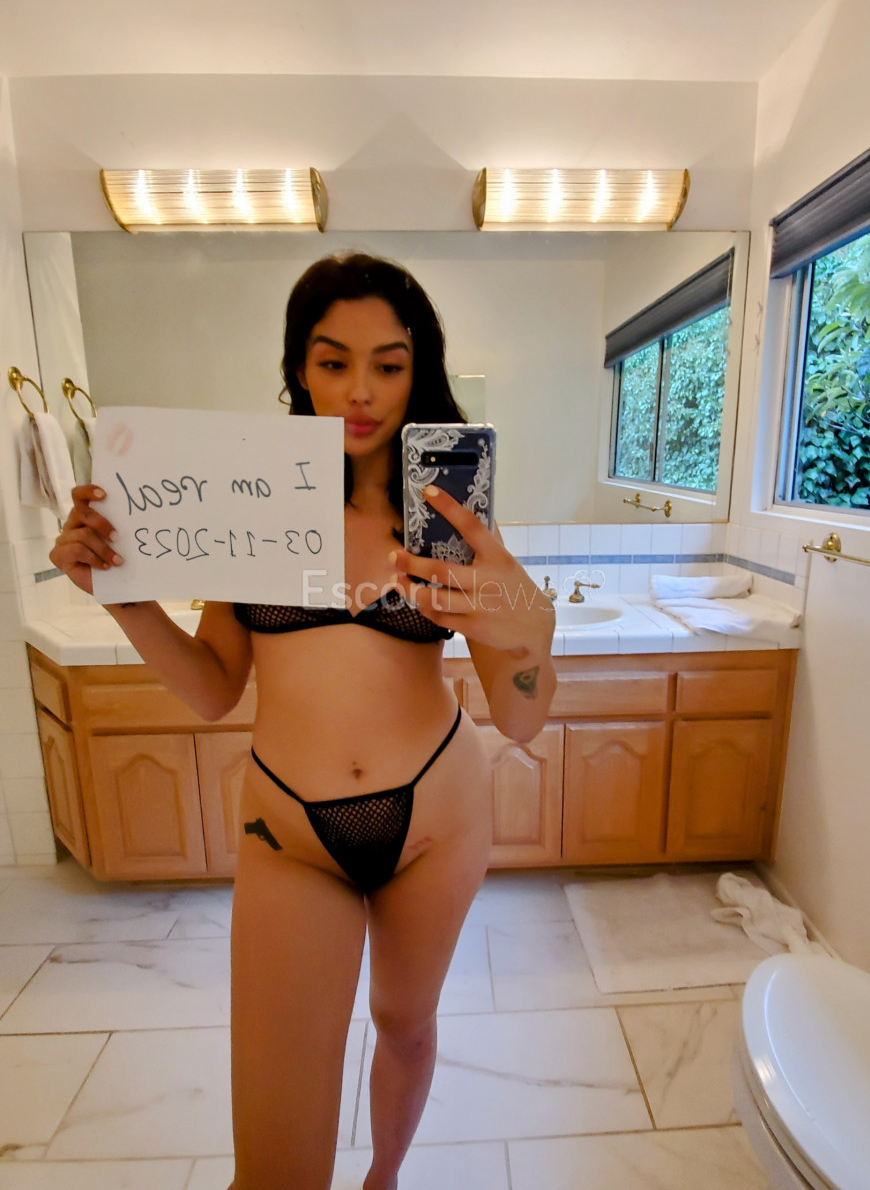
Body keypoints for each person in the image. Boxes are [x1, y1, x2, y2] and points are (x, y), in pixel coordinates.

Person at [50, 252, 557, 1190]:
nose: (360, 390)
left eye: (388, 365)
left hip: (437, 823)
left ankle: (385, 1177)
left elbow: (521, 721)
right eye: (333, 362)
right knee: (273, 1168)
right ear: (299, 369)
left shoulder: (447, 517)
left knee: (404, 1024)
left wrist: (530, 632)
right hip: (289, 836)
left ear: (417, 372)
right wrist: (123, 599)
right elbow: (214, 688)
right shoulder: (253, 500)